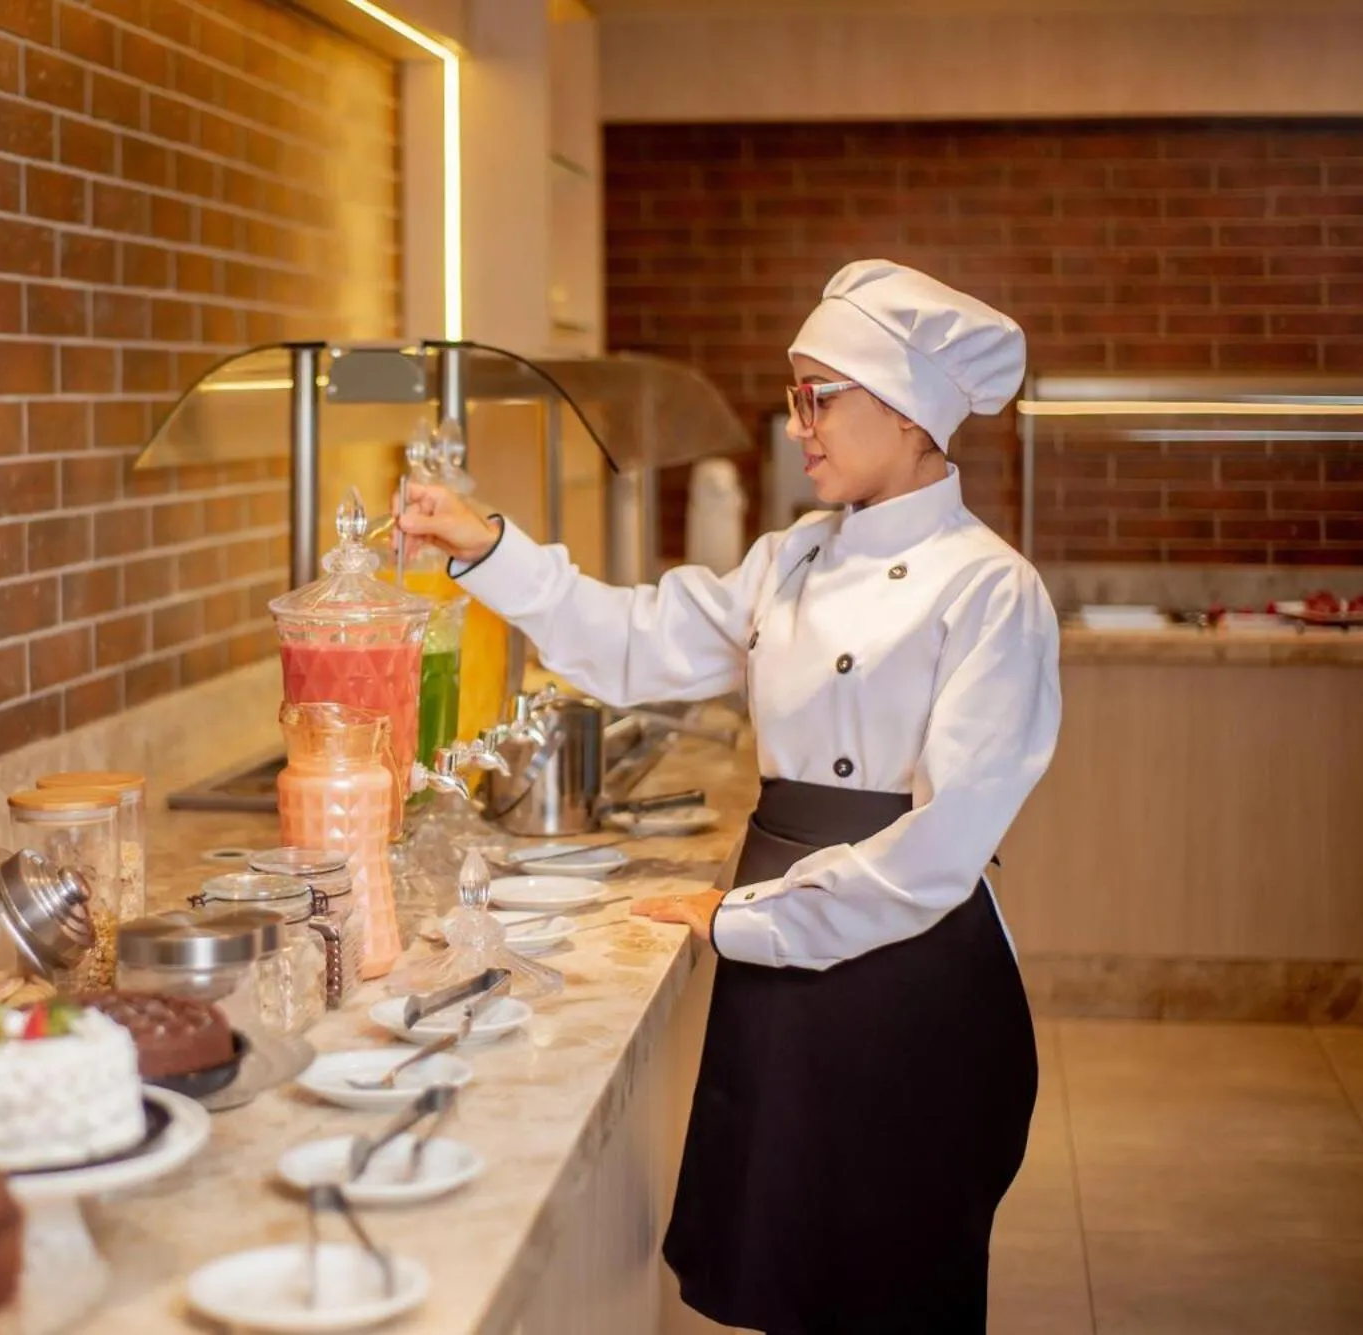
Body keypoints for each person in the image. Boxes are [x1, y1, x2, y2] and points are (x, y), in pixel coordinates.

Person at [397, 259, 1061, 1335]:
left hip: (905, 971)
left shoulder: (990, 589)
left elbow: (940, 848)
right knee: (792, 1282)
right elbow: (630, 642)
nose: (794, 423)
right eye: (792, 396)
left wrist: (744, 916)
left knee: (898, 1287)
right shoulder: (788, 561)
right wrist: (487, 547)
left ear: (904, 413)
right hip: (785, 952)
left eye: (817, 396)